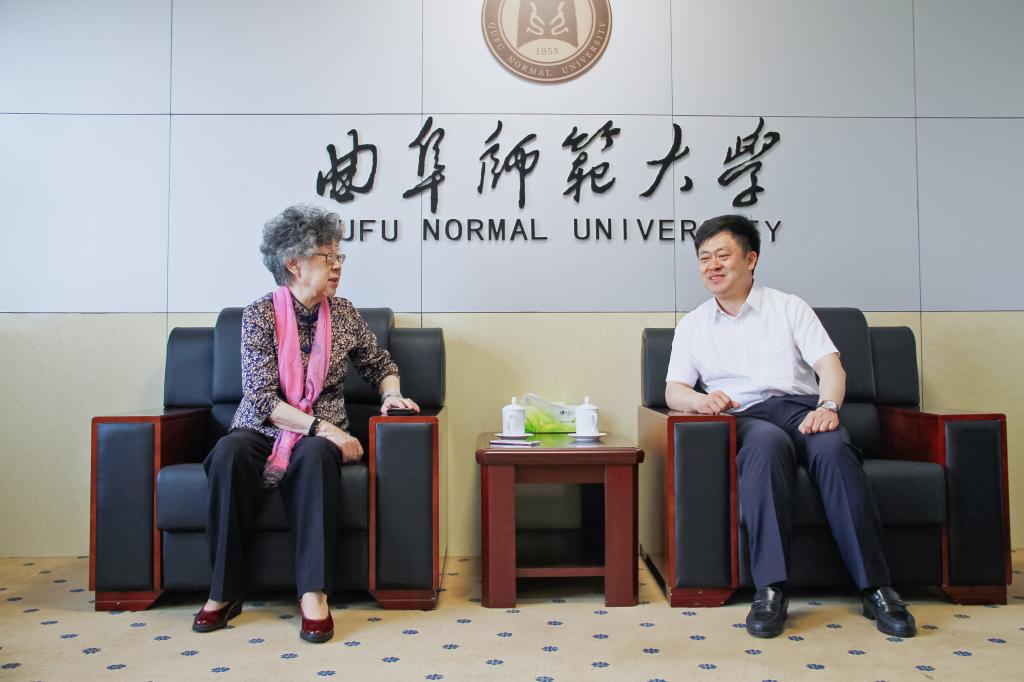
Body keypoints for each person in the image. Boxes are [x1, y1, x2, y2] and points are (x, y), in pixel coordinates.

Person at [665, 214, 916, 639]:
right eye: (704, 258)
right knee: (765, 447)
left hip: (803, 409)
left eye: (722, 255)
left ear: (751, 259)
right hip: (747, 417)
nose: (712, 265)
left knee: (834, 450)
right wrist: (700, 401)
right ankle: (771, 590)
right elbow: (674, 390)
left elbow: (830, 367)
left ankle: (876, 587)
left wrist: (829, 406)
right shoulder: (693, 325)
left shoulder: (788, 307)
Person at [191, 204, 419, 643]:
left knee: (315, 457)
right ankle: (223, 591)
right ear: (293, 264)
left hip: (317, 437)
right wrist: (325, 429)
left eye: (339, 256)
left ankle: (314, 593)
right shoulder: (259, 314)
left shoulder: (345, 313)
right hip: (264, 428)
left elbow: (380, 365)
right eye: (327, 256)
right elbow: (261, 398)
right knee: (228, 454)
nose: (337, 266)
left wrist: (391, 395)